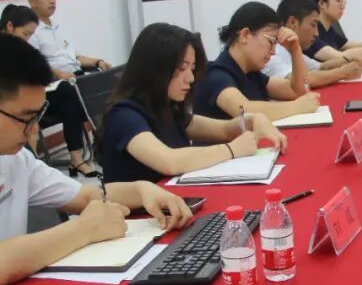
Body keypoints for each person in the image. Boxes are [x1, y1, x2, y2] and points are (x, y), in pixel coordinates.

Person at [0, 34, 192, 285]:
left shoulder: (12, 159)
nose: (34, 131)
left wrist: (141, 190)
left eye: (38, 116)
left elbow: (84, 196)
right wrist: (84, 229)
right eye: (26, 119)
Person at [101, 23, 286, 183]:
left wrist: (252, 120)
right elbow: (169, 161)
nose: (190, 78)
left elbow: (223, 129)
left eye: (192, 68)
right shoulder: (123, 115)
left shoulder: (167, 106)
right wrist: (231, 149)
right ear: (155, 69)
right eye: (182, 68)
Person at [0, 4, 95, 177]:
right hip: (13, 102)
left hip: (36, 96)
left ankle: (76, 158)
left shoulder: (22, 47)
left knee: (69, 101)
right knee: (69, 91)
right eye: (25, 34)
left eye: (30, 35)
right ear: (10, 26)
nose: (27, 39)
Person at [192, 1, 320, 121]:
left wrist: (295, 50)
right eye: (271, 42)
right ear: (245, 35)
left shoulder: (251, 73)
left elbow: (297, 91)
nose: (273, 52)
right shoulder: (216, 75)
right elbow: (243, 110)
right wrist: (296, 107)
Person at [264, 0, 362, 87]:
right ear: (292, 23)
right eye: (313, 25)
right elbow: (302, 81)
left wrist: (352, 59)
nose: (317, 34)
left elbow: (321, 67)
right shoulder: (272, 54)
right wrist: (343, 73)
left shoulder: (290, 49)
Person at [27, 0, 111, 80]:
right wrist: (58, 74)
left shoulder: (59, 27)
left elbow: (75, 58)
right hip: (57, 81)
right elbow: (34, 66)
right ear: (32, 1)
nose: (52, 1)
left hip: (77, 75)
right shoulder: (30, 32)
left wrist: (98, 62)